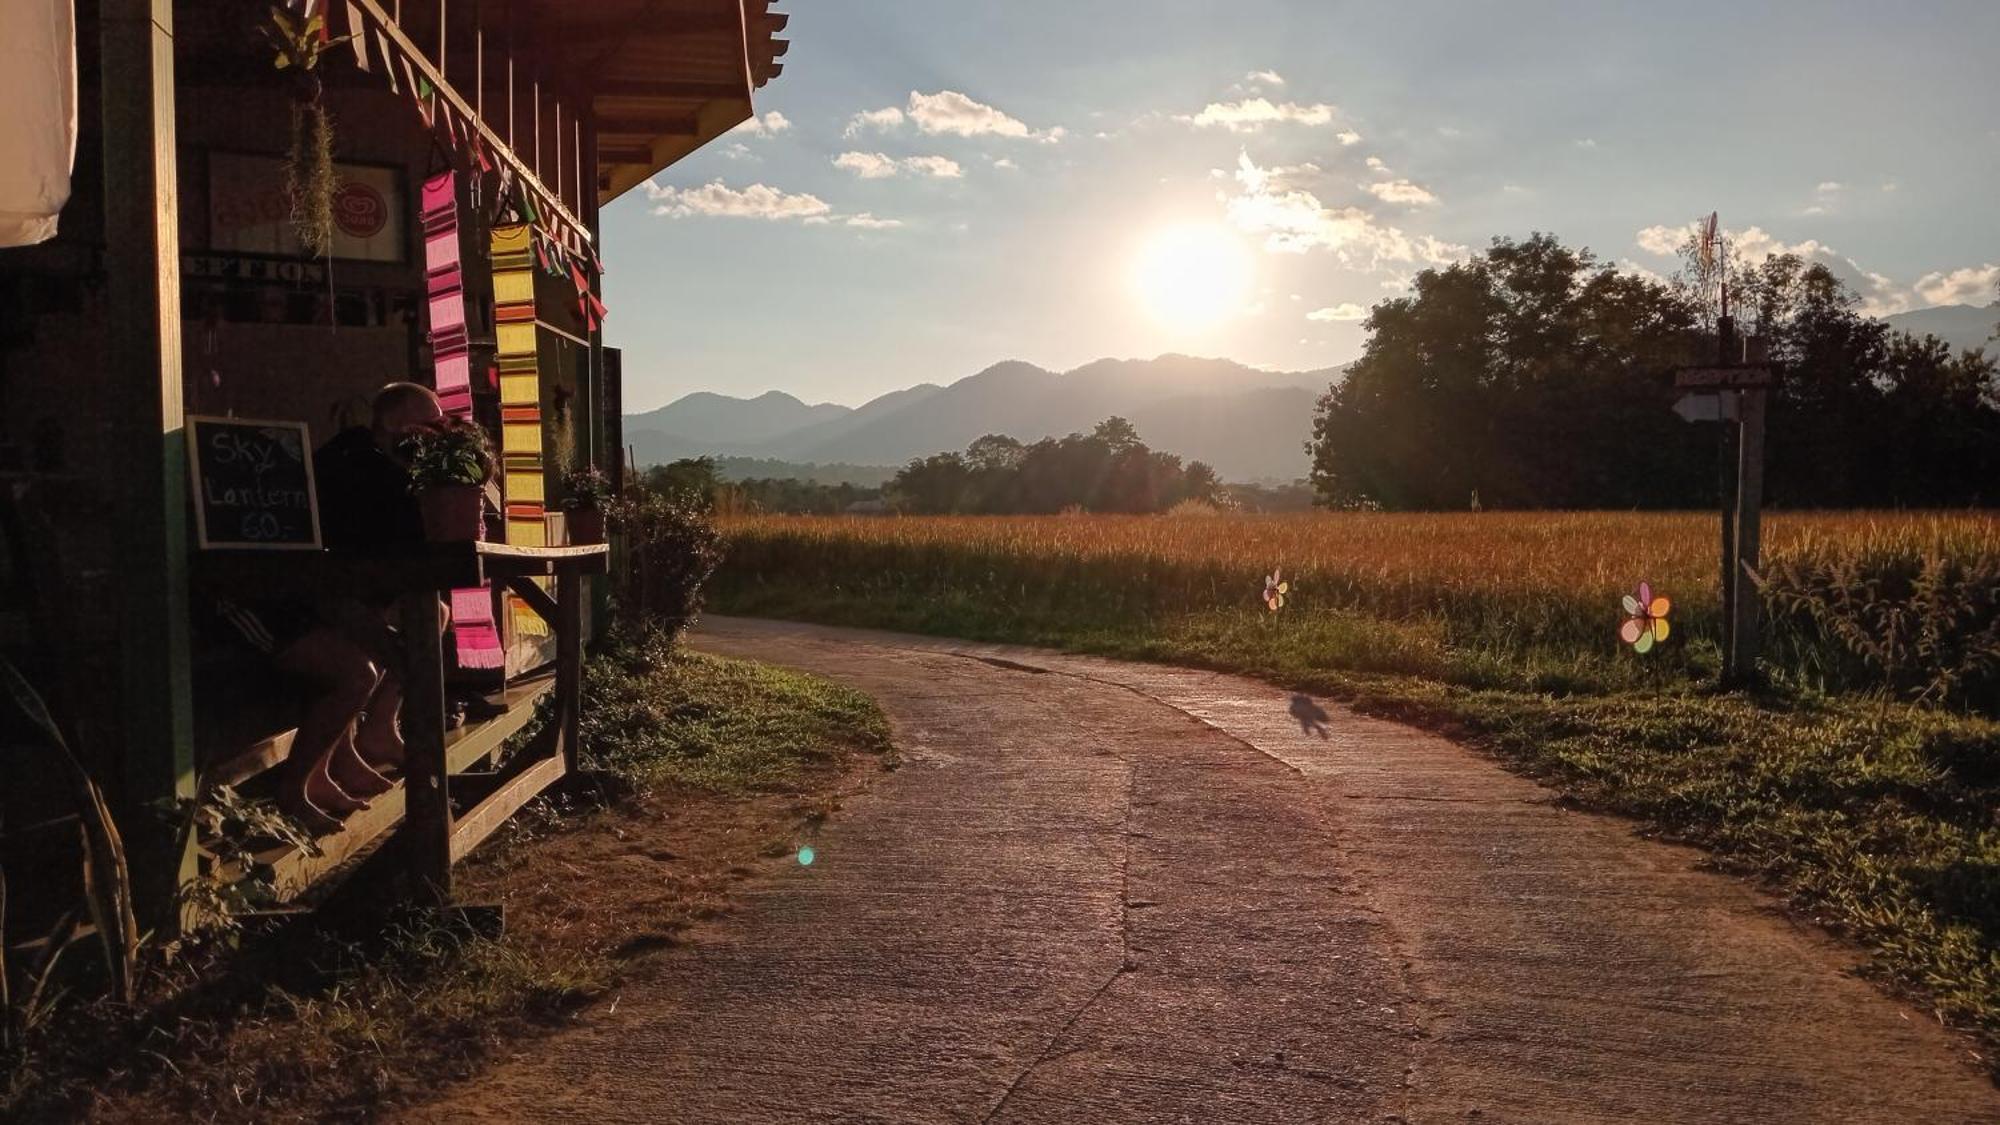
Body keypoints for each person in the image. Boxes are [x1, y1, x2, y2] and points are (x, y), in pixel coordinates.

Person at [216, 383, 444, 832]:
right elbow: (327, 580)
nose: (438, 435)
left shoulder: (386, 469)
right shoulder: (355, 469)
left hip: (318, 598)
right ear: (398, 425)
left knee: (423, 622)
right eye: (430, 425)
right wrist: (384, 640)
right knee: (358, 670)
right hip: (267, 600)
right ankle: (294, 787)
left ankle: (357, 748)